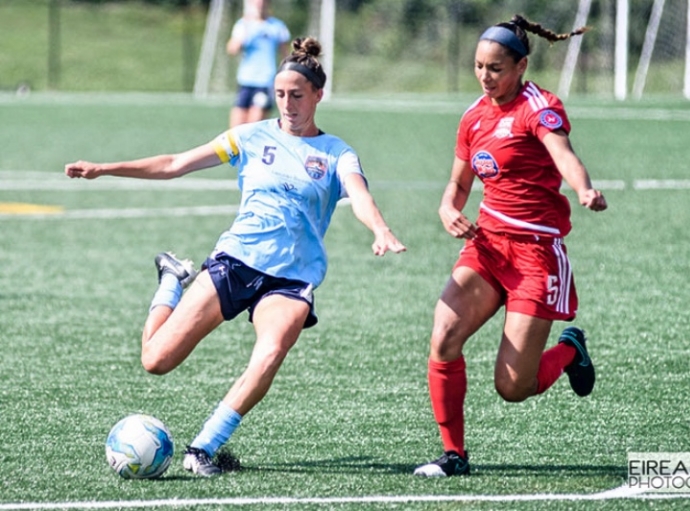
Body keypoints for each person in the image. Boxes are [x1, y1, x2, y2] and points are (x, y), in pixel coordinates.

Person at [65, 37, 406, 477]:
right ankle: (171, 279)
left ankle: (202, 448)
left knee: (270, 352)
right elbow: (175, 164)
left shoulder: (336, 153)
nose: (287, 104)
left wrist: (379, 228)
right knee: (156, 360)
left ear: (318, 95)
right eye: (280, 94)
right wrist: (105, 168)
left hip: (291, 279)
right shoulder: (250, 137)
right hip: (237, 260)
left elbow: (358, 194)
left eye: (297, 95)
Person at [413, 15, 607, 478]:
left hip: (536, 255)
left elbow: (563, 154)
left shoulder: (538, 107)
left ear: (521, 66)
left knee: (513, 386)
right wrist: (447, 208)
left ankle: (570, 350)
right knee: (443, 337)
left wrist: (583, 188)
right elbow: (459, 183)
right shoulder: (473, 116)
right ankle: (453, 454)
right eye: (479, 66)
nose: (485, 76)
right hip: (488, 247)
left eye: (496, 68)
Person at [226, 0, 290, 127]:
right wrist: (244, 34)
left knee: (254, 125)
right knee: (236, 128)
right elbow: (232, 49)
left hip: (265, 81)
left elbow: (285, 54)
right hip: (245, 80)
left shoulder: (277, 26)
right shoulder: (243, 25)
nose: (260, 4)